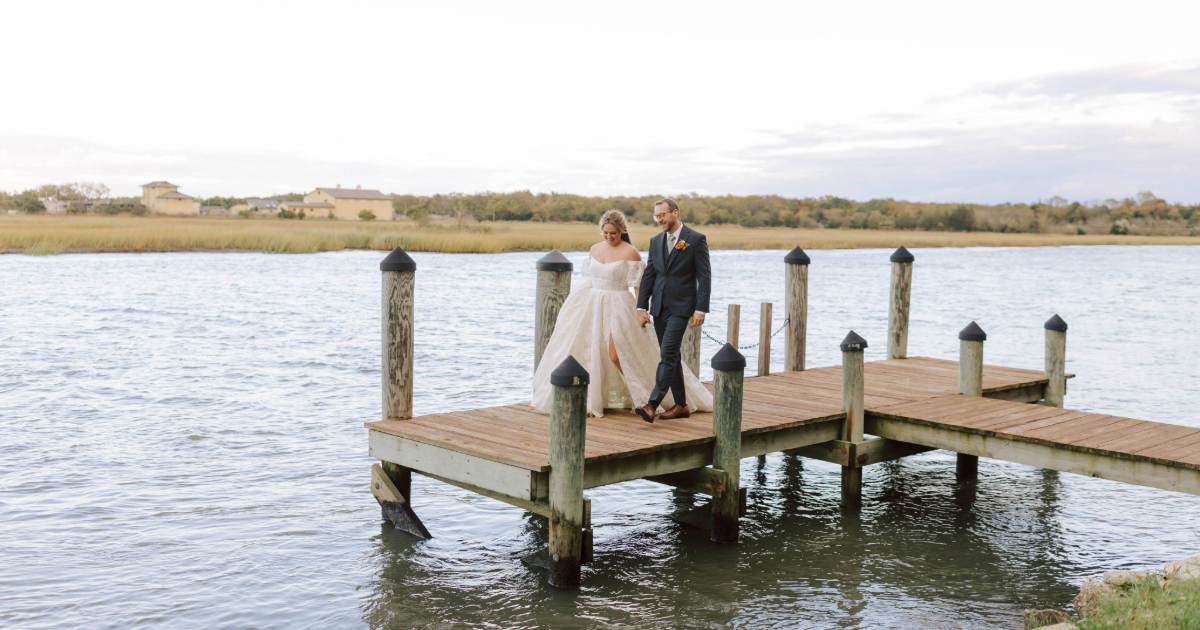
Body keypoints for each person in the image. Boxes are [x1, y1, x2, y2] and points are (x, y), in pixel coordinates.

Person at [531, 209, 712, 419]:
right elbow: (588, 280)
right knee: (588, 350)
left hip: (618, 306)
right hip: (592, 305)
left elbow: (638, 286)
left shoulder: (630, 252)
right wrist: (574, 306)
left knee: (616, 354)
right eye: (605, 233)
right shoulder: (594, 249)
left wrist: (641, 309)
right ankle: (591, 399)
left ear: (622, 231)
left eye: (613, 233)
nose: (609, 237)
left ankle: (644, 398)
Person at [634, 198, 712, 423]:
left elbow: (704, 277)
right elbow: (650, 275)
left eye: (662, 215)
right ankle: (681, 405)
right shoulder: (655, 241)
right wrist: (641, 306)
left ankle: (652, 404)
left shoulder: (695, 240)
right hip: (659, 307)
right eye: (656, 216)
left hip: (682, 307)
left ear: (674, 213)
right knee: (673, 356)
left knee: (667, 353)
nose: (659, 220)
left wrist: (701, 309)